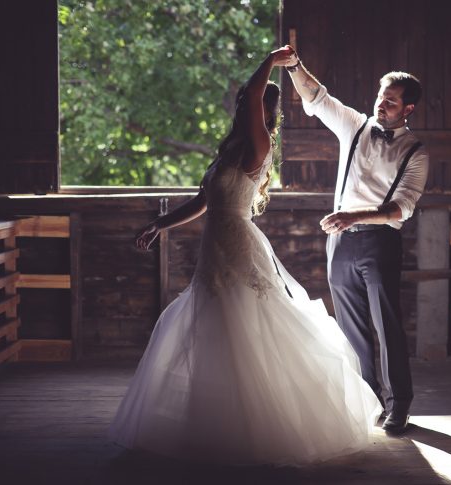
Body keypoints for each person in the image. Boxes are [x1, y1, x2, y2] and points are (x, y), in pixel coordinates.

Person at [108, 46, 382, 466]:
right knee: (215, 324)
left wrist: (272, 61)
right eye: (242, 100)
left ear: (262, 111)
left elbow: (254, 95)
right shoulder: (229, 151)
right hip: (215, 243)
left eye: (248, 100)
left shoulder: (260, 141)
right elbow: (203, 200)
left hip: (238, 241)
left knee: (246, 320)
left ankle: (264, 426)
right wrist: (160, 224)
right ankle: (215, 421)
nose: (243, 102)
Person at [285, 50, 429, 434]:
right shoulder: (354, 126)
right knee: (352, 331)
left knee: (387, 326)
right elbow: (317, 97)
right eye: (381, 96)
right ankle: (371, 403)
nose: (382, 104)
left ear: (408, 109)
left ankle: (400, 406)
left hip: (380, 243)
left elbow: (404, 208)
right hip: (341, 244)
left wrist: (355, 215)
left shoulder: (416, 151)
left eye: (392, 100)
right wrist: (295, 66)